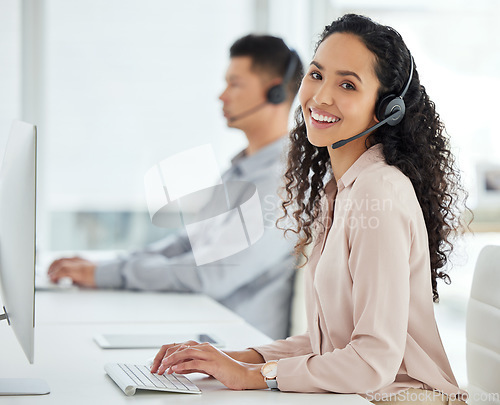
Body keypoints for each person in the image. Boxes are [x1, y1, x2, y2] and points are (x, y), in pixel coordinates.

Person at [149, 14, 469, 404]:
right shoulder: (340, 190)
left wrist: (253, 376)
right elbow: (329, 341)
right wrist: (236, 360)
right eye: (316, 75)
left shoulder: (379, 192)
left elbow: (373, 361)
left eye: (347, 84)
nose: (320, 97)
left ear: (387, 109)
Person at [48, 34, 304, 340]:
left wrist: (107, 275)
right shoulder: (240, 169)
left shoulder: (280, 184)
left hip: (234, 350)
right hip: (195, 327)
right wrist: (107, 266)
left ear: (275, 92)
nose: (222, 96)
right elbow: (188, 243)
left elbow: (211, 275)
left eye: (235, 84)